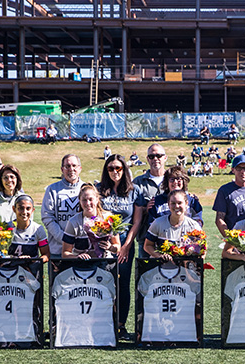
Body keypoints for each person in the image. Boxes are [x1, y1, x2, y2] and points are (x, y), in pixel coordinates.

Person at [97, 154, 137, 339]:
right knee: (103, 282)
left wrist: (126, 245)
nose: (115, 172)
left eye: (118, 168)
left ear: (124, 170)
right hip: (102, 242)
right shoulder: (99, 189)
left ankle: (120, 324)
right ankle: (102, 321)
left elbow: (136, 221)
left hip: (125, 243)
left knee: (122, 284)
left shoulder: (133, 190)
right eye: (111, 168)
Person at [62, 184, 120, 260]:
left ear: (97, 199)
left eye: (90, 199)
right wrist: (77, 257)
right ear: (79, 200)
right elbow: (65, 253)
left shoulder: (108, 218)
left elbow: (117, 246)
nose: (88, 203)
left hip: (104, 261)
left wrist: (110, 247)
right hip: (81, 265)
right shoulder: (73, 221)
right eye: (84, 200)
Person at [129, 143, 169, 255]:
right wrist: (145, 209)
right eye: (151, 156)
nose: (155, 159)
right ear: (147, 159)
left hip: (170, 238)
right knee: (146, 272)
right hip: (146, 238)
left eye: (159, 156)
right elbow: (130, 210)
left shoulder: (173, 179)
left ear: (165, 158)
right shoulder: (138, 182)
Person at [213, 154, 245, 236]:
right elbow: (219, 219)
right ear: (233, 170)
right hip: (236, 237)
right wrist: (231, 239)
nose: (243, 171)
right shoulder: (225, 190)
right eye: (239, 168)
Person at [144, 189, 205, 261]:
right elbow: (147, 246)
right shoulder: (158, 223)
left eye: (180, 203)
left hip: (185, 268)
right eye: (173, 203)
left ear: (186, 203)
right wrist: (160, 256)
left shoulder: (194, 226)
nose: (176, 206)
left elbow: (202, 249)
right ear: (168, 204)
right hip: (161, 267)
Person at [42, 154, 84, 257]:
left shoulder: (86, 189)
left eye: (74, 166)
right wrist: (65, 239)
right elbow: (47, 217)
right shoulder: (52, 189)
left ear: (80, 168)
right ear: (62, 169)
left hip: (82, 251)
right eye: (67, 166)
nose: (71, 169)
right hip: (58, 250)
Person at [0, 164, 24, 255]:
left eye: (12, 177)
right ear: (1, 180)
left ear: (17, 179)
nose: (9, 180)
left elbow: (27, 225)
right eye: (5, 177)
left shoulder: (24, 199)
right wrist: (1, 241)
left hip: (19, 247)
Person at [6, 194, 50, 262]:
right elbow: (0, 253)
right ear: (14, 209)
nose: (24, 212)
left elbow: (46, 254)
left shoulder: (38, 229)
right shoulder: (6, 228)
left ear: (33, 210)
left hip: (31, 270)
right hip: (10, 270)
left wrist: (33, 261)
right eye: (20, 208)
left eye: (28, 208)